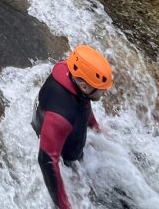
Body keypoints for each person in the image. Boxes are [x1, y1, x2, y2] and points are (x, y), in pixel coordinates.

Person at [32, 45, 113, 209]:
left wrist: (95, 127)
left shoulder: (72, 74)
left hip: (66, 136)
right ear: (84, 86)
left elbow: (83, 103)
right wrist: (64, 205)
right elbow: (46, 161)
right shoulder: (60, 117)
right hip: (64, 159)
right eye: (101, 90)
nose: (104, 93)